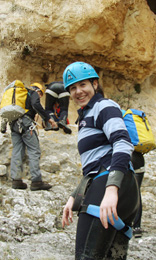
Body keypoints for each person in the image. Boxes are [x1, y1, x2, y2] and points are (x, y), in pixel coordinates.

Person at [61, 61, 139, 259]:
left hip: (111, 185)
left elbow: (123, 143)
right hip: (122, 188)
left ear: (95, 84)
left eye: (83, 85)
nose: (78, 91)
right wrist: (74, 196)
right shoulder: (87, 116)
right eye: (72, 88)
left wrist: (112, 189)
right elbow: (95, 164)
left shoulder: (104, 105)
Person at [2, 81, 56, 190]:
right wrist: (48, 118)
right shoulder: (32, 93)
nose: (40, 96)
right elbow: (36, 105)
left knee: (17, 150)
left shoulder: (16, 95)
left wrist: (3, 127)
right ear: (39, 91)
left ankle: (16, 180)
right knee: (34, 150)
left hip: (13, 124)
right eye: (41, 94)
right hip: (26, 123)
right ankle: (36, 181)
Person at [131, 151, 145, 238]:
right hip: (139, 159)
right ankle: (137, 227)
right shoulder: (137, 136)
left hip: (125, 158)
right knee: (136, 192)